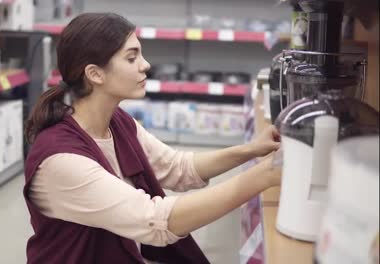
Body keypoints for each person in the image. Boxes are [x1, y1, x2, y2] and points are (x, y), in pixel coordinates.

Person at [23, 12, 281, 264]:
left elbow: (178, 168)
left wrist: (251, 150)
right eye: (132, 57)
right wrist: (262, 176)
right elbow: (155, 220)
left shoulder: (118, 123)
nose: (145, 64)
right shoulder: (61, 160)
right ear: (95, 74)